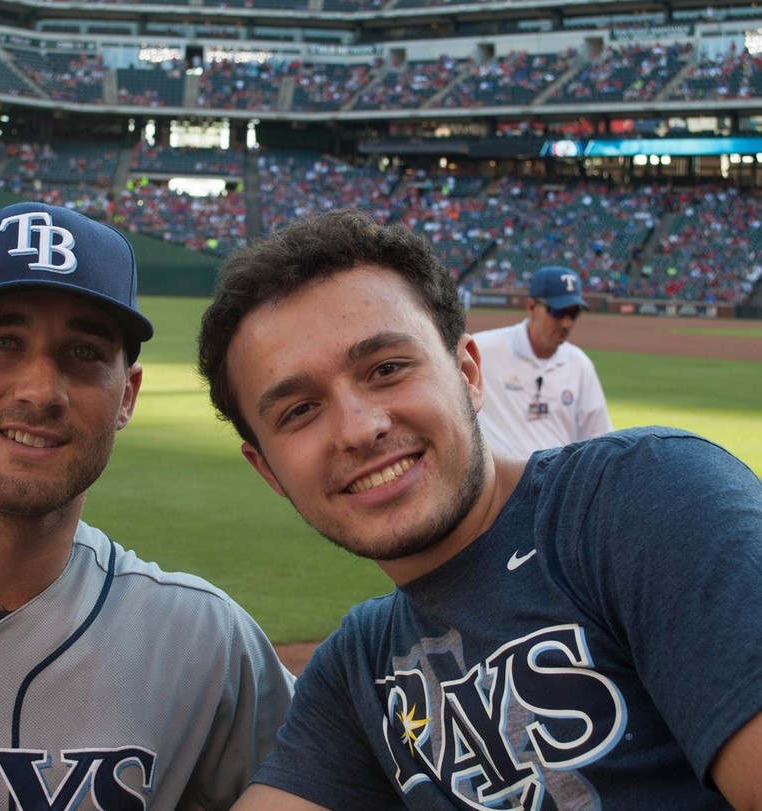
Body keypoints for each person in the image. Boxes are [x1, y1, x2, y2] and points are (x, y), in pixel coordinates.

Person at [197, 208, 762, 810]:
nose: (359, 430)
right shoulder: (357, 669)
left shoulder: (644, 498)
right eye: (299, 411)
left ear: (467, 372)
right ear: (268, 471)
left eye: (387, 369)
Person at [0, 201, 293, 810]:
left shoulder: (205, 644)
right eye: (1, 341)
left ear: (126, 397)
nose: (40, 390)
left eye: (83, 353)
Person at [473, 265, 613, 457]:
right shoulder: (482, 350)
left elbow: (599, 438)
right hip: (498, 484)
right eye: (557, 311)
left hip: (557, 483)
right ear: (531, 307)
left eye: (573, 313)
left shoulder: (579, 364)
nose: (566, 323)